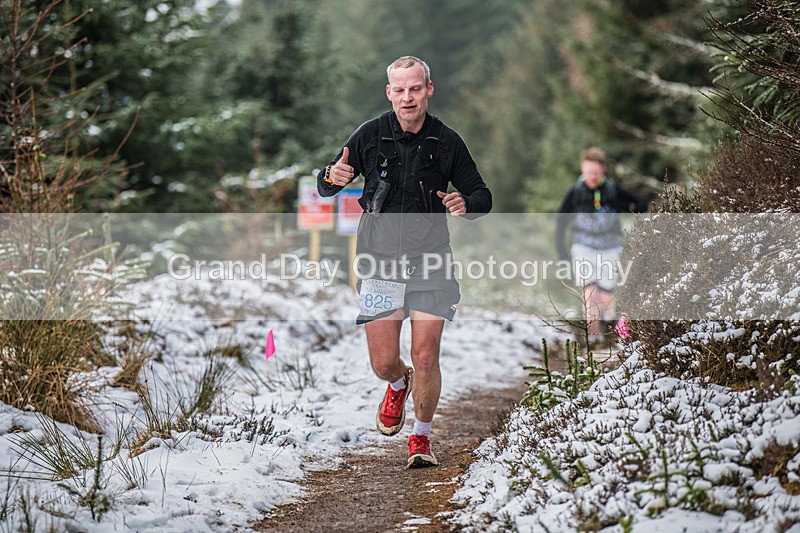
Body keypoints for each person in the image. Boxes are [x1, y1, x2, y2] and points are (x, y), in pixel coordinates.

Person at [317, 56, 491, 468]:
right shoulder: (370, 135)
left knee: (426, 355)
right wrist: (329, 178)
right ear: (389, 93)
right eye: (399, 90)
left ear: (429, 89)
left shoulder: (447, 142)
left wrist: (466, 204)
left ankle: (421, 437)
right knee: (382, 362)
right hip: (379, 261)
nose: (407, 97)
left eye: (415, 88)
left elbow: (482, 196)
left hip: (431, 261)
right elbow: (327, 184)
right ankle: (398, 383)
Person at [555, 147, 647, 345]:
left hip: (610, 248)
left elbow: (639, 204)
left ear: (603, 170)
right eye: (589, 171)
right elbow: (560, 222)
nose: (593, 176)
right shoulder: (575, 193)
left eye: (596, 172)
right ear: (582, 169)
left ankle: (615, 336)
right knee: (589, 292)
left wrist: (636, 215)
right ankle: (594, 338)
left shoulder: (612, 190)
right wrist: (561, 250)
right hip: (583, 247)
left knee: (606, 295)